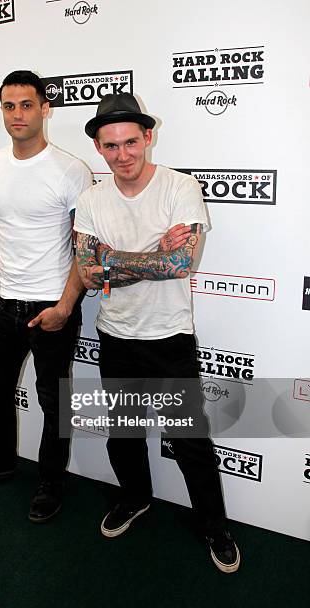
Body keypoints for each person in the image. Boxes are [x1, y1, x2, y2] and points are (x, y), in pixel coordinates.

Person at [74, 92, 240, 573]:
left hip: (169, 337)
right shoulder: (90, 199)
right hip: (115, 335)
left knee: (189, 439)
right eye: (110, 146)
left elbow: (182, 263)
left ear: (148, 137)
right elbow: (87, 274)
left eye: (130, 142)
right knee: (123, 433)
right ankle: (135, 499)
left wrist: (112, 260)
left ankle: (214, 524)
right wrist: (149, 256)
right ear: (99, 149)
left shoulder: (179, 188)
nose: (122, 154)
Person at [0, 70, 92, 523]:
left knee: (53, 401)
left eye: (26, 105)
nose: (17, 115)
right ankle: (0, 460)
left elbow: (84, 248)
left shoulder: (71, 170)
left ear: (45, 108)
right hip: (7, 302)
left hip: (53, 305)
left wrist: (65, 307)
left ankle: (51, 480)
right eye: (9, 106)